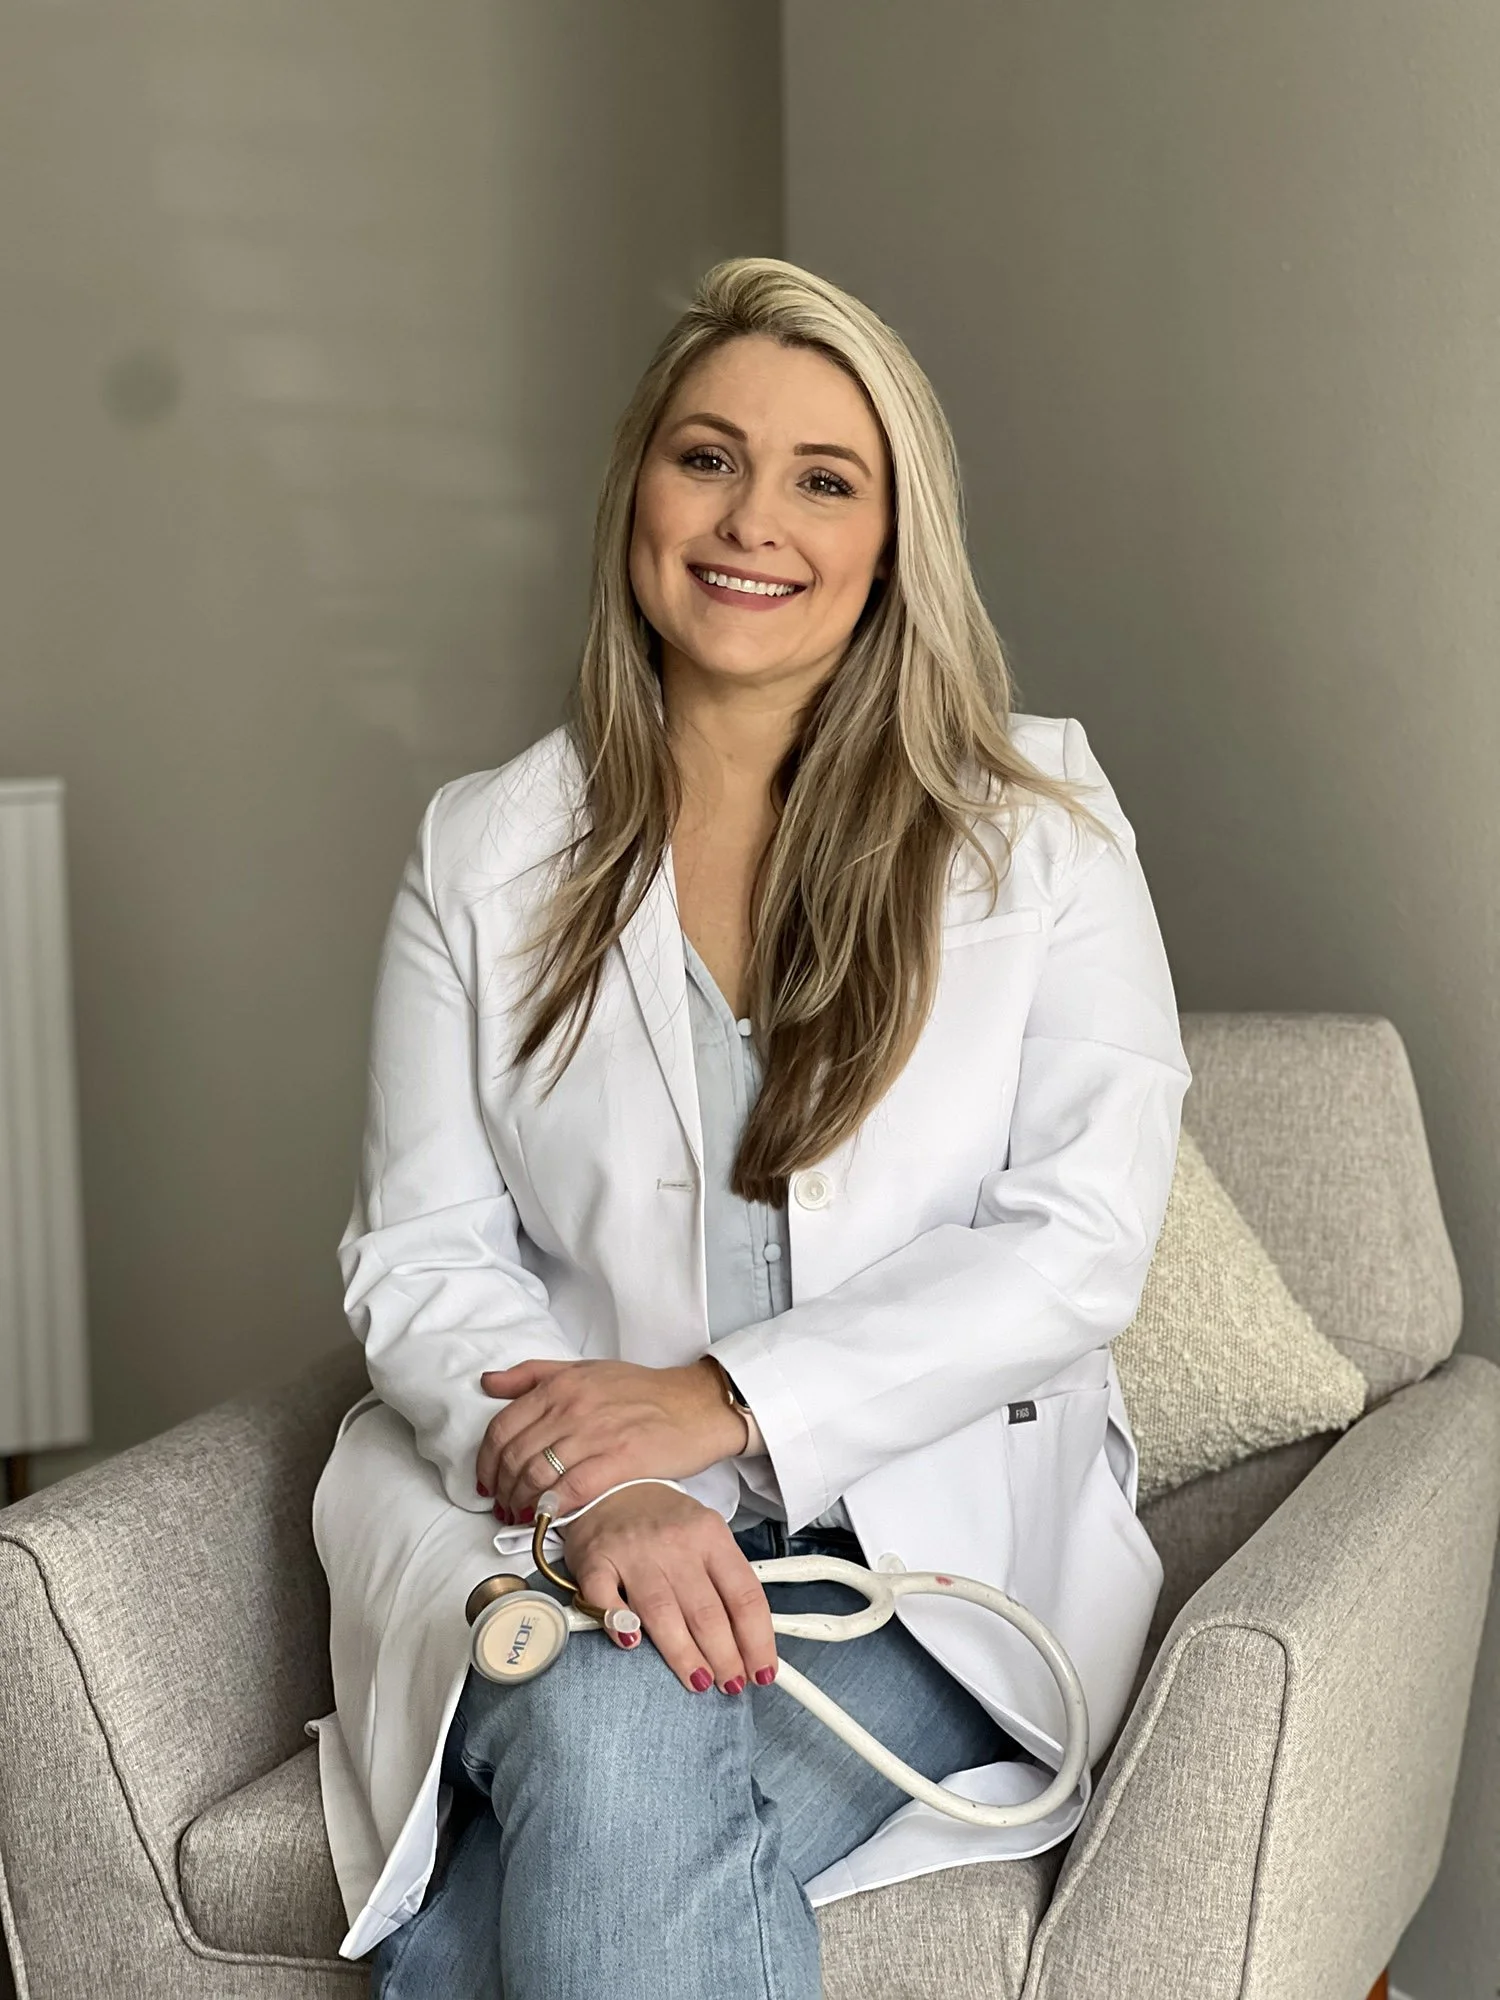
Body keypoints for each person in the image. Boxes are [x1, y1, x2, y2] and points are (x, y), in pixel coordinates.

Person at [313, 254, 1189, 1998]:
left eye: (823, 479)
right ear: (638, 489)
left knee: (555, 1826)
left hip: (925, 1556)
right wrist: (619, 1488)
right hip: (577, 1526)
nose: (751, 522)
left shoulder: (1038, 825)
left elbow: (1080, 1243)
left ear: (892, 541)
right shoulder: (482, 850)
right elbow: (420, 1256)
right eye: (707, 457)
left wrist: (721, 1404)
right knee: (608, 1722)